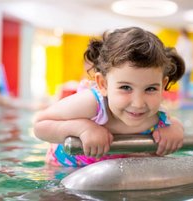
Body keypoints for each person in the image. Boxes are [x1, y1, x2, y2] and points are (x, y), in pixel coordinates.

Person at [34, 27, 185, 167]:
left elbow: (171, 121)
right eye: (125, 87)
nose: (138, 104)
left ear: (162, 84)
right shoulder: (92, 104)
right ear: (103, 84)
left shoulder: (157, 115)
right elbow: (40, 125)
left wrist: (175, 130)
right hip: (65, 172)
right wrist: (82, 128)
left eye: (151, 89)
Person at [175, 28, 193, 98]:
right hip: (190, 66)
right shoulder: (190, 42)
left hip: (185, 66)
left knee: (183, 85)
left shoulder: (182, 42)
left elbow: (177, 52)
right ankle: (186, 99)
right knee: (187, 84)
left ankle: (183, 100)